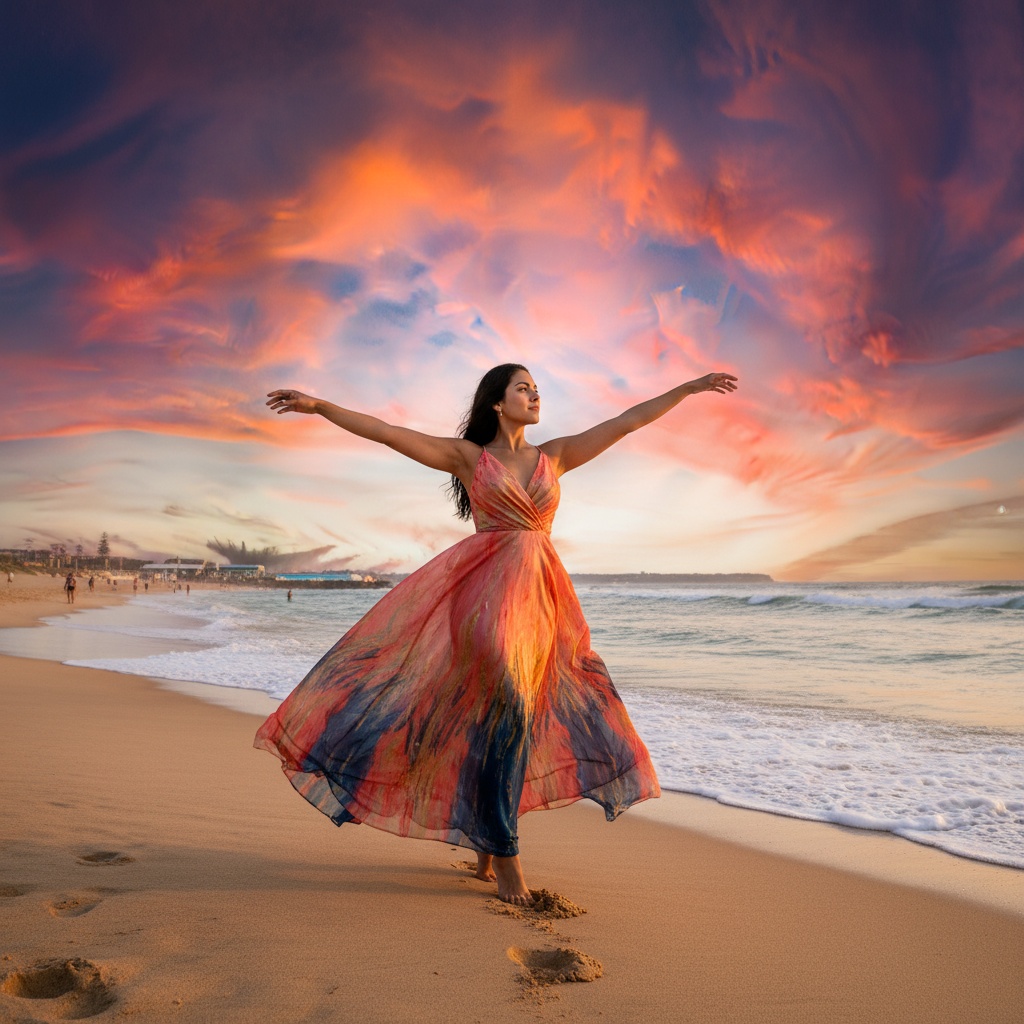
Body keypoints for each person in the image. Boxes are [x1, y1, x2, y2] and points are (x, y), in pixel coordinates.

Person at [255, 364, 738, 905]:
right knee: (508, 708)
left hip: (541, 607)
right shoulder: (470, 458)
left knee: (512, 723)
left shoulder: (554, 456)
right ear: (496, 402)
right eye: (523, 388)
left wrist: (688, 389)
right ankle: (506, 857)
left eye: (537, 389)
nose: (535, 395)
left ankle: (486, 841)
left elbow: (627, 422)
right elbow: (388, 433)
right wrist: (320, 406)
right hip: (485, 602)